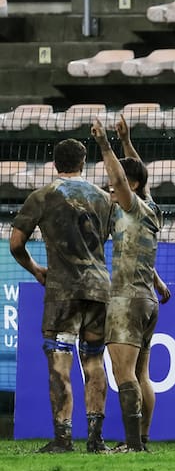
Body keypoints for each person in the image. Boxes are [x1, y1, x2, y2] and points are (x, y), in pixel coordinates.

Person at [10, 138, 114, 453]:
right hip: (98, 287)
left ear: (55, 164)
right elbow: (106, 236)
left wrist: (36, 270)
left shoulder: (42, 196)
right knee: (94, 360)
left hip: (63, 289)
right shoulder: (102, 198)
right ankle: (96, 441)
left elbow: (15, 243)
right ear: (84, 164)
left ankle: (63, 439)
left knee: (60, 361)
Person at [91, 116, 170, 452]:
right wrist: (127, 141)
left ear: (130, 187)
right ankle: (144, 439)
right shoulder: (151, 207)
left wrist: (105, 143)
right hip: (147, 299)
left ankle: (133, 445)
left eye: (115, 186)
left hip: (126, 300)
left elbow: (124, 177)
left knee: (124, 374)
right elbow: (136, 174)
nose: (111, 189)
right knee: (142, 376)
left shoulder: (132, 206)